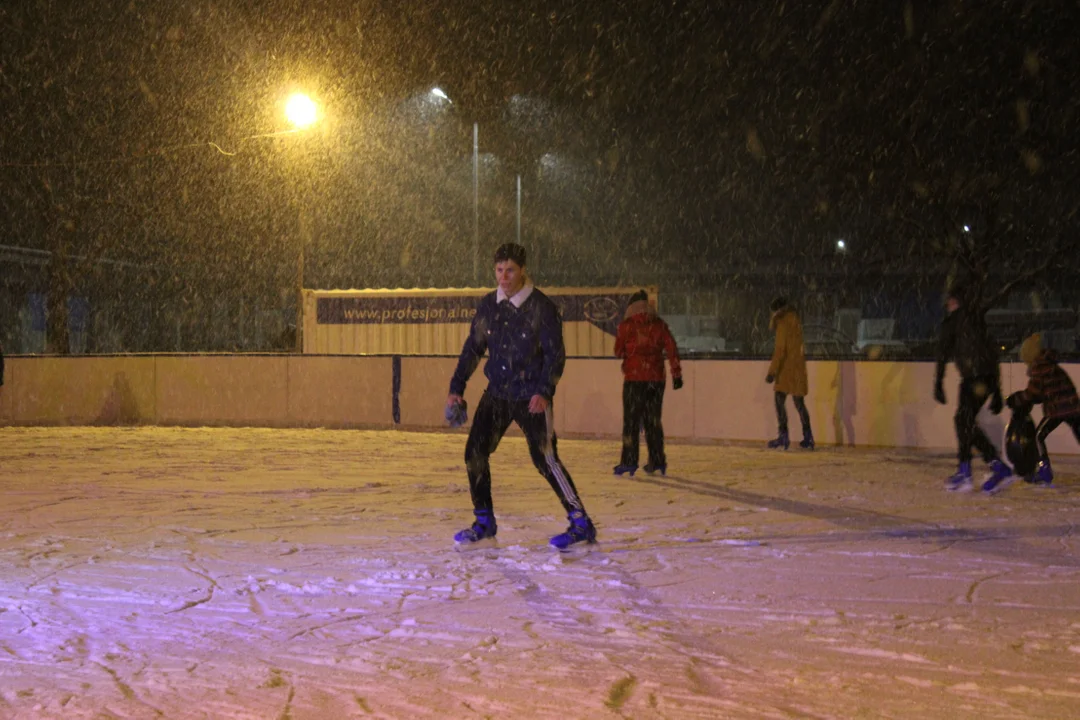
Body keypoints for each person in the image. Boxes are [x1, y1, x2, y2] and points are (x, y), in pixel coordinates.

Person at [446, 242, 597, 550]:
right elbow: (473, 349)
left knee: (545, 459)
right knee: (474, 453)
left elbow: (556, 355)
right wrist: (456, 388)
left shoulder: (541, 307)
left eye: (510, 270)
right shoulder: (489, 306)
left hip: (531, 396)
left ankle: (581, 522)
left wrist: (544, 391)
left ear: (522, 270)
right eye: (499, 270)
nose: (504, 277)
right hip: (498, 394)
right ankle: (484, 521)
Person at [934, 284, 1012, 493]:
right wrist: (996, 390)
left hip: (972, 379)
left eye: (949, 300)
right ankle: (993, 466)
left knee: (963, 421)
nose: (947, 304)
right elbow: (992, 353)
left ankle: (968, 472)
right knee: (965, 422)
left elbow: (942, 353)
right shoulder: (977, 321)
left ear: (953, 301)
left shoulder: (952, 322)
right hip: (985, 379)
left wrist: (938, 382)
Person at [613, 289, 682, 476]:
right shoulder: (659, 325)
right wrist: (676, 374)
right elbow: (671, 348)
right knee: (653, 422)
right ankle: (657, 461)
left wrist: (630, 353)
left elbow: (618, 351)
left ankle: (629, 462)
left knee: (631, 423)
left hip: (634, 380)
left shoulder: (626, 326)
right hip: (656, 379)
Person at [1006, 333, 1080, 486]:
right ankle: (1044, 471)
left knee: (1038, 436)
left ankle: (1044, 471)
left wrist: (1016, 399)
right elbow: (1043, 391)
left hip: (1059, 408)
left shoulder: (1040, 367)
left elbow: (1032, 393)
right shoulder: (1049, 364)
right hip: (1072, 406)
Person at [765, 297, 813, 450]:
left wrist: (772, 372)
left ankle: (783, 436)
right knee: (799, 403)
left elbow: (780, 349)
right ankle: (808, 436)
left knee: (779, 401)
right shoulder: (795, 320)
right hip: (798, 368)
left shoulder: (783, 322)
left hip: (786, 369)